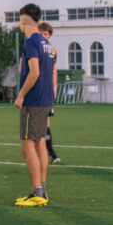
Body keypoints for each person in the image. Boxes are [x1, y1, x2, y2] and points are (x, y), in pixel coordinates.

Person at [14, 4, 56, 207]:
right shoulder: (45, 42)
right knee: (40, 143)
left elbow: (35, 72)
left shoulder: (31, 41)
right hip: (46, 99)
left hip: (33, 101)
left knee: (27, 145)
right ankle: (41, 190)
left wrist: (21, 95)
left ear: (23, 20)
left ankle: (37, 192)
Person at [37, 21, 61, 164]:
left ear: (49, 36)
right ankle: (47, 153)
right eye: (40, 34)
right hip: (36, 92)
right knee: (37, 124)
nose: (43, 36)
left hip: (46, 92)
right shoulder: (33, 48)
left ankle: (50, 153)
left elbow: (54, 70)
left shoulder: (52, 50)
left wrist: (54, 88)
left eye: (45, 34)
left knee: (46, 123)